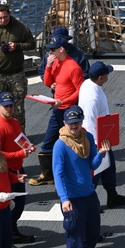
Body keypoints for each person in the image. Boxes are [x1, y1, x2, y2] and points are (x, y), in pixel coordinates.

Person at [54, 107, 111, 248]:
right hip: (73, 198)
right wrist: (64, 198)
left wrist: (101, 154)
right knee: (75, 235)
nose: (74, 126)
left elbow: (92, 164)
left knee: (93, 232)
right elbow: (58, 174)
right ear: (65, 123)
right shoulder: (60, 145)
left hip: (88, 193)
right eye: (71, 123)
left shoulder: (87, 138)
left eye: (77, 122)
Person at [30, 33, 85, 186]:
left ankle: (75, 174)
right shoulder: (56, 63)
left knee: (72, 143)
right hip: (57, 108)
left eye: (53, 49)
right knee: (48, 142)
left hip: (69, 111)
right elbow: (48, 81)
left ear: (62, 49)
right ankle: (48, 175)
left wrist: (64, 101)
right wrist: (48, 65)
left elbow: (80, 90)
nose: (51, 52)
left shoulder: (73, 66)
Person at [78, 61, 125, 208]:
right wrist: (98, 145)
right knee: (95, 173)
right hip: (97, 140)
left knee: (109, 167)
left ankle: (112, 195)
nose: (108, 75)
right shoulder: (92, 98)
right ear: (101, 77)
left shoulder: (88, 84)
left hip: (102, 136)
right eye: (107, 73)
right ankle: (88, 203)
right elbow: (89, 122)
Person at [0, 3, 36, 130]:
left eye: (5, 17)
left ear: (9, 14)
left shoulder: (20, 27)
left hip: (16, 74)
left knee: (18, 108)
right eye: (0, 18)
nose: (3, 20)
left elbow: (32, 44)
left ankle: (20, 136)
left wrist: (17, 46)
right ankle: (0, 136)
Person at [0, 92, 36, 248]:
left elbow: (20, 139)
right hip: (7, 171)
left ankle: (13, 231)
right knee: (8, 206)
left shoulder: (15, 122)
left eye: (11, 105)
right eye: (6, 106)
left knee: (19, 203)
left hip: (18, 168)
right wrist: (20, 154)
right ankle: (6, 241)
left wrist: (28, 146)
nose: (9, 109)